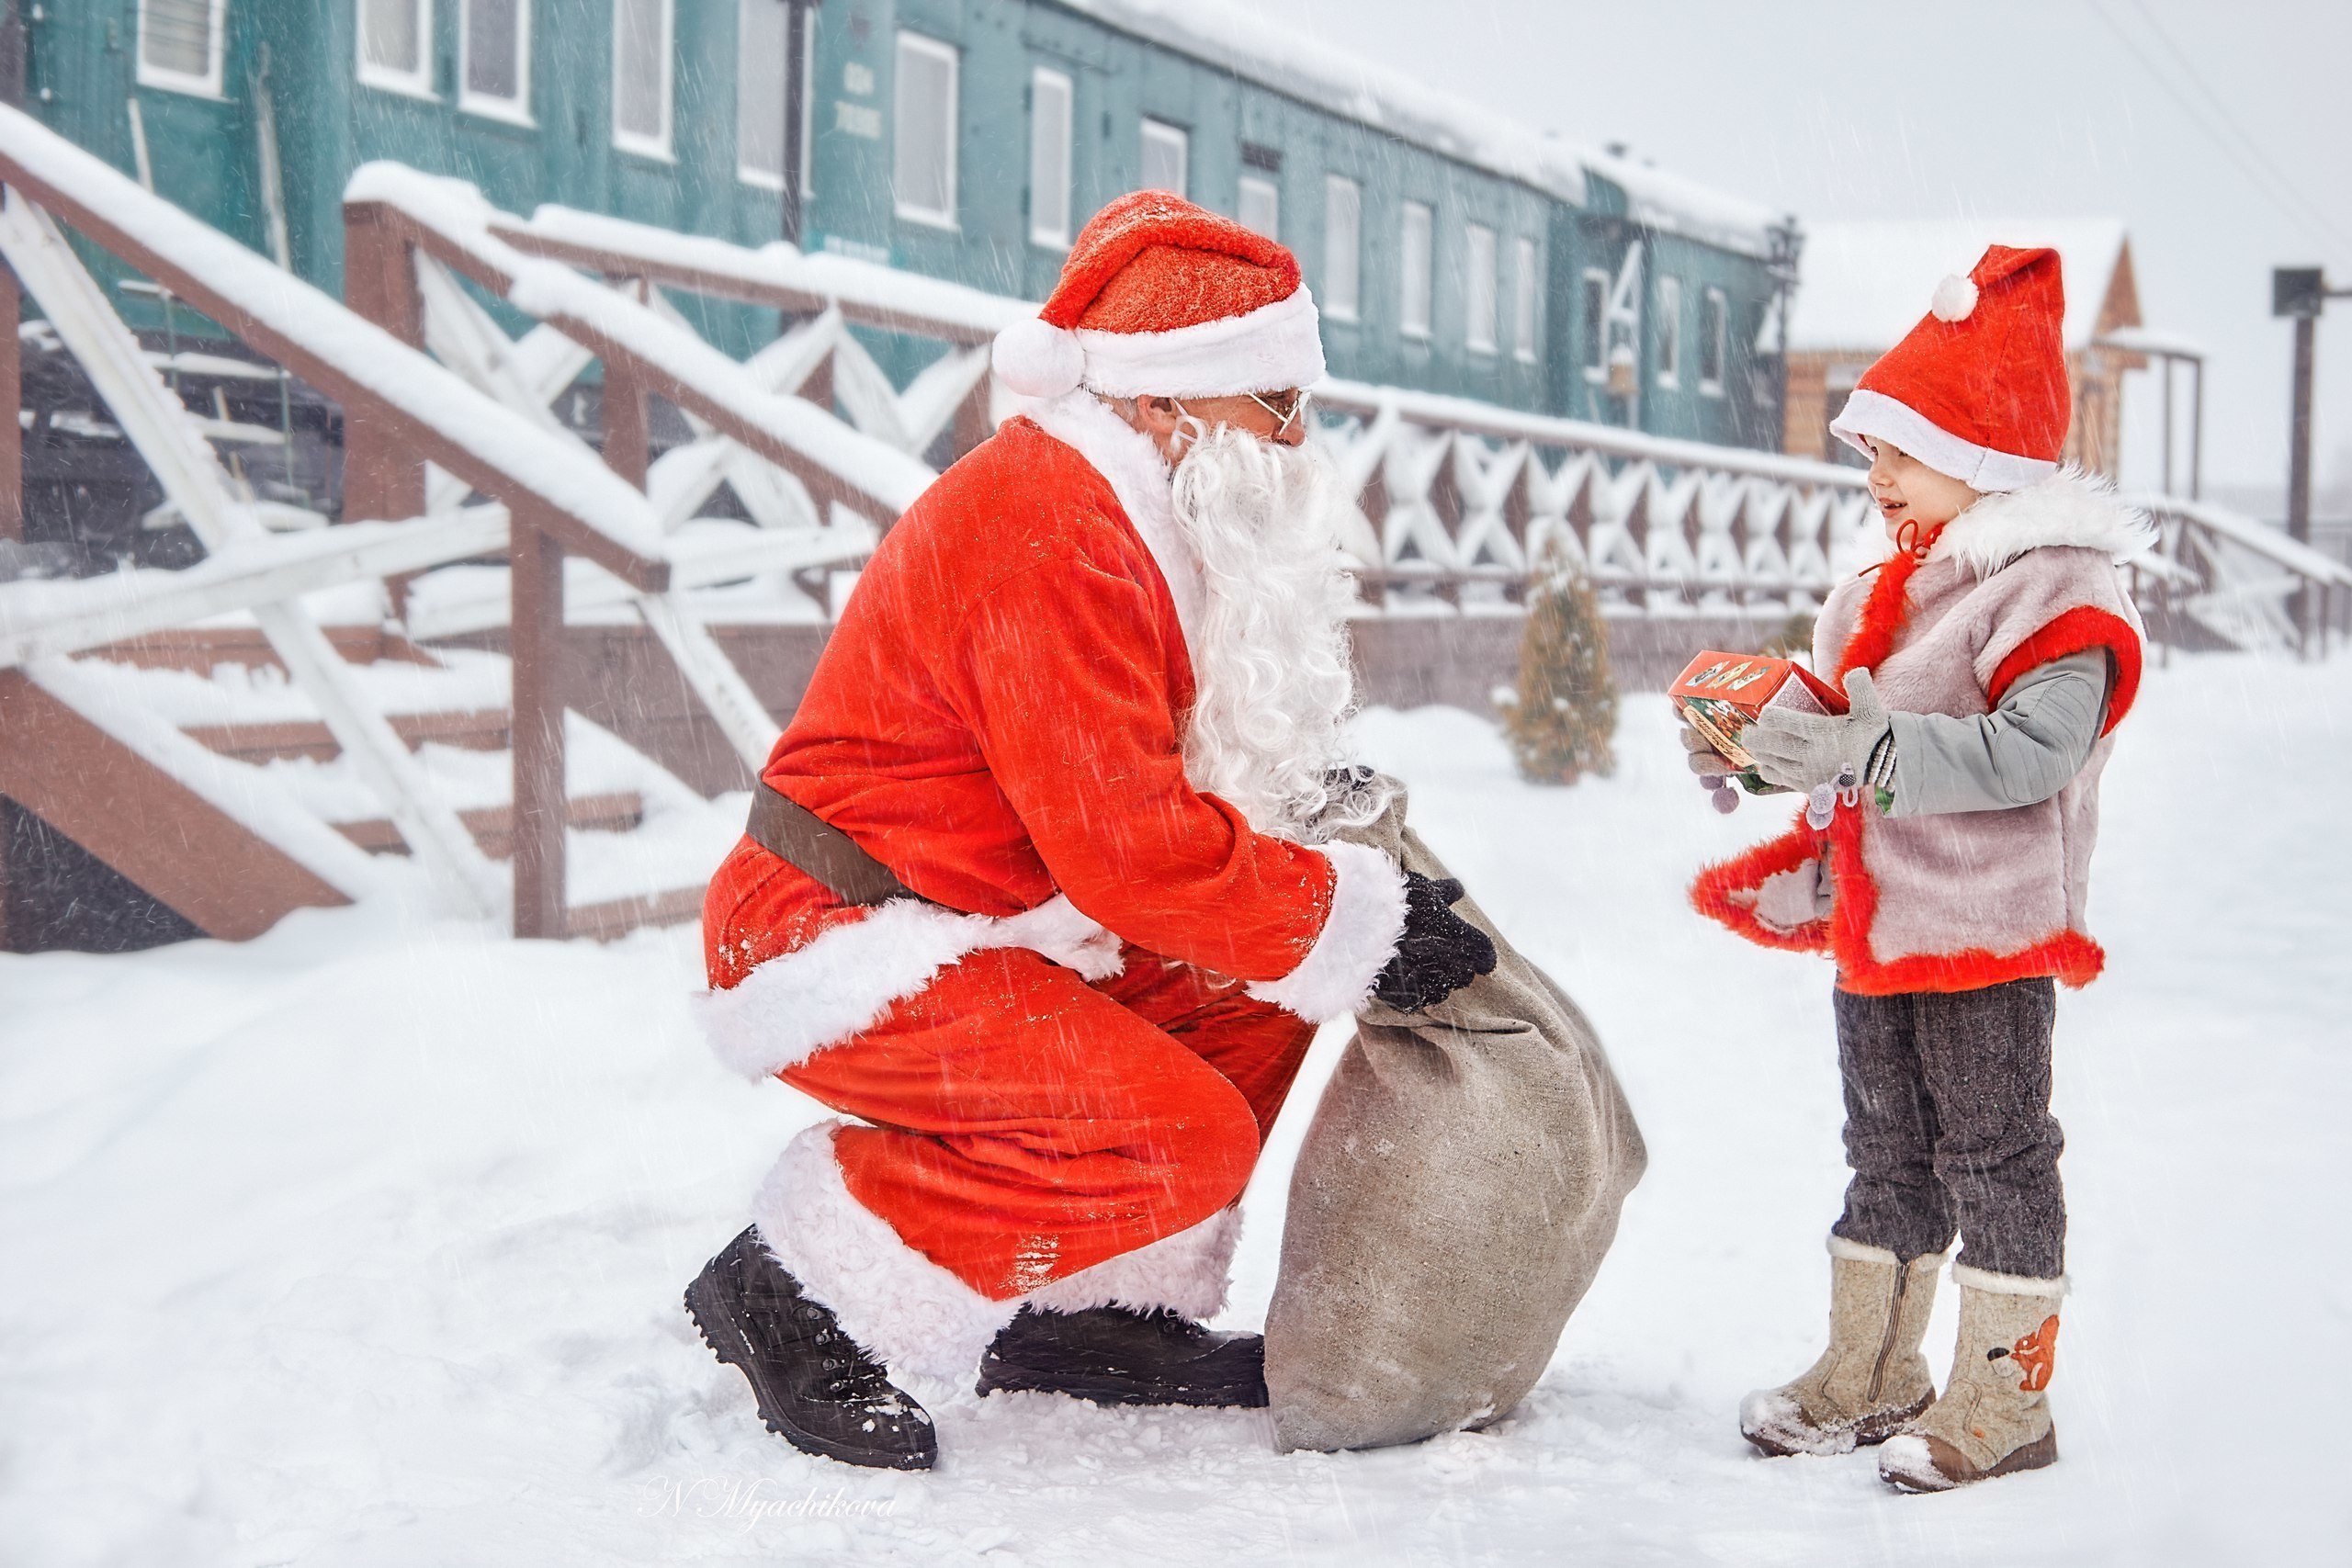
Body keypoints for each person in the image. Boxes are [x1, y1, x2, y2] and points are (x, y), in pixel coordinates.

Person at [685, 191, 1495, 1471]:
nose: (1299, 438)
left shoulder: (1133, 507)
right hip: (841, 933)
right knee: (1172, 1129)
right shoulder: (1047, 530)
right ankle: (799, 1282)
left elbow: (1147, 821)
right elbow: (1129, 852)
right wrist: (1354, 924)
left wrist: (1318, 900)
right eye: (1276, 402)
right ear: (1169, 398)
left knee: (1250, 995)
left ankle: (1092, 1310)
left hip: (997, 916)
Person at [1685, 246, 2148, 1491]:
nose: (1873, 476)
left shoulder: (2058, 594)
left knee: (1995, 1155)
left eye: (1895, 449)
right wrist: (1767, 749)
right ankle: (1874, 1372)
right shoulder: (1882, 591)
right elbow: (1848, 738)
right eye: (1869, 452)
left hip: (1985, 932)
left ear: (1982, 455)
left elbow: (2029, 755)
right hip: (1883, 934)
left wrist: (1857, 742)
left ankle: (2007, 1399)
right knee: (1883, 1155)